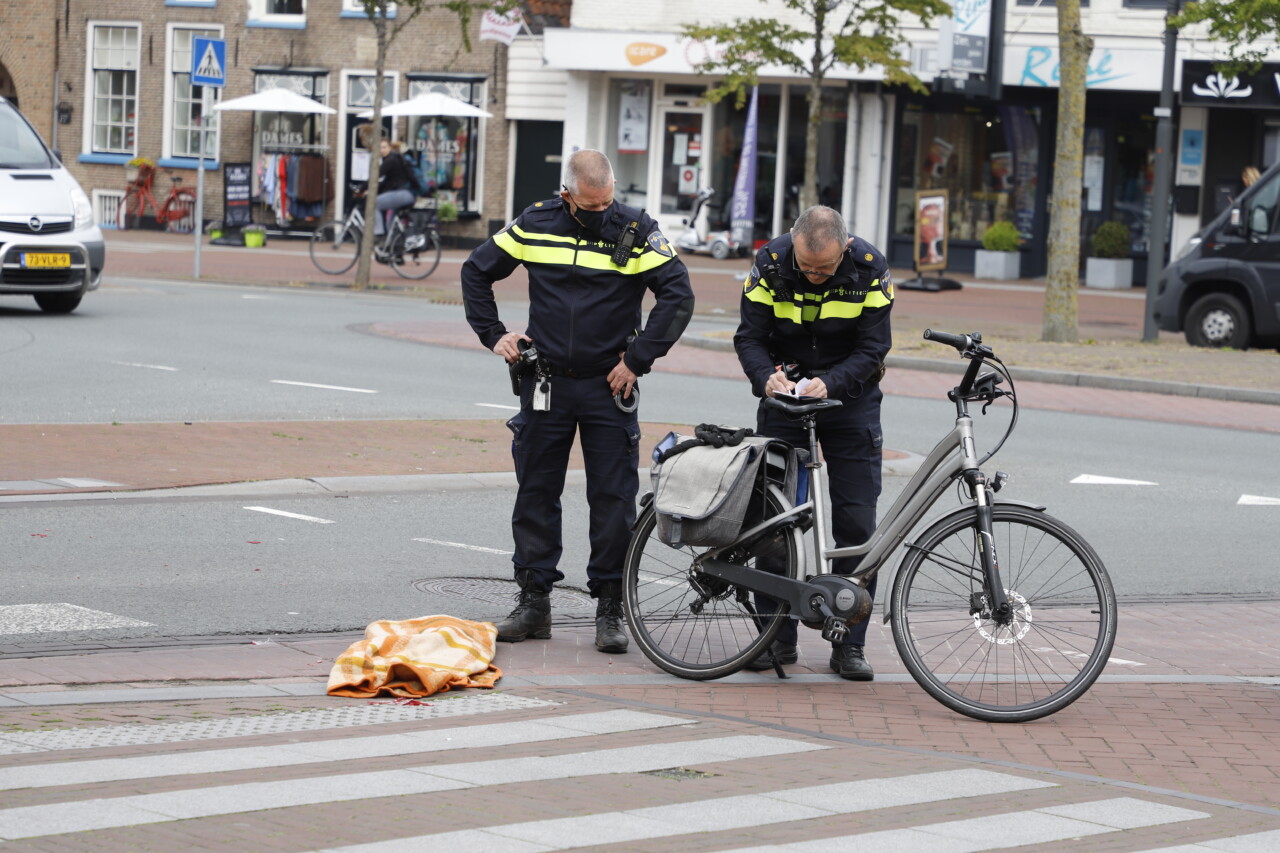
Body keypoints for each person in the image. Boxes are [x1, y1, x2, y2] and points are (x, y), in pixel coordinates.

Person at [461, 149, 695, 653]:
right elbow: (476, 271)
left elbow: (679, 295)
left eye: (607, 201)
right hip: (545, 382)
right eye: (590, 207)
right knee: (536, 492)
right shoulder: (537, 222)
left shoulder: (636, 229)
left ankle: (610, 606)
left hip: (609, 385)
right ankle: (533, 601)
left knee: (612, 500)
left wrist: (637, 360)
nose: (600, 213)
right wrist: (494, 335)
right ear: (567, 195)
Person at [733, 205, 893, 681]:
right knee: (774, 521)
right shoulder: (770, 263)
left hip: (850, 401)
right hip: (784, 400)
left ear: (845, 249)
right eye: (806, 268)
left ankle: (849, 644)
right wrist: (766, 378)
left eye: (825, 269)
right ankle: (774, 638)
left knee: (857, 523)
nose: (816, 277)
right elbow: (749, 337)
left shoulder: (870, 268)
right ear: (792, 244)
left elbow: (873, 347)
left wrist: (833, 381)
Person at [363, 138, 414, 239]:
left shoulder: (391, 160)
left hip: (403, 193)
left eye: (384, 147)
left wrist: (360, 188)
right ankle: (393, 247)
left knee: (374, 203)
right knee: (390, 223)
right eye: (380, 148)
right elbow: (386, 182)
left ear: (390, 147)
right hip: (406, 193)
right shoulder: (395, 158)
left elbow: (376, 176)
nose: (382, 150)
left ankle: (379, 234)